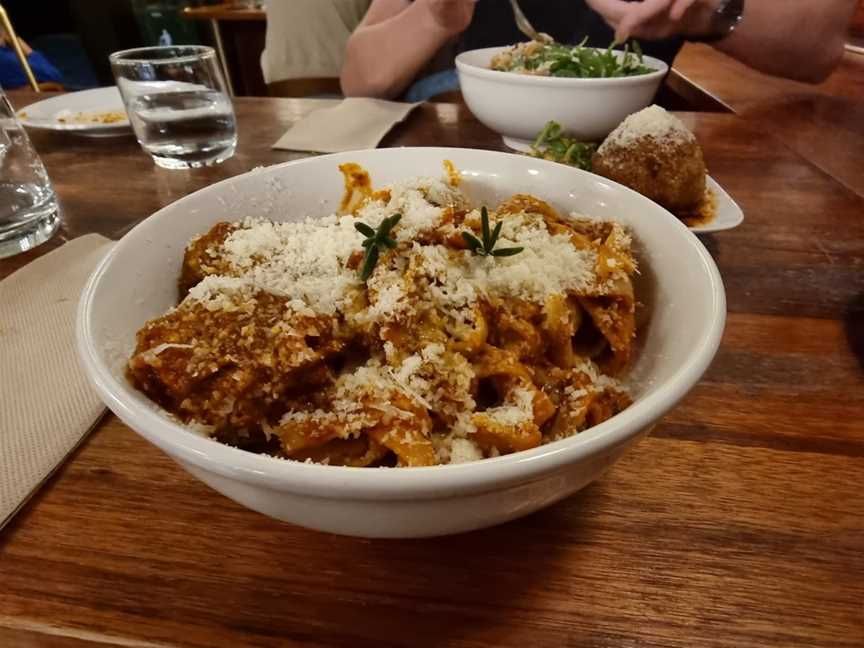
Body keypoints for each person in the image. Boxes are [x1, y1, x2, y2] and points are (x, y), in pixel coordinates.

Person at [341, 0, 857, 101]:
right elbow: (358, 79)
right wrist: (434, 16)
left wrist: (714, 8)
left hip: (621, 151)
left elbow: (817, 50)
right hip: (473, 147)